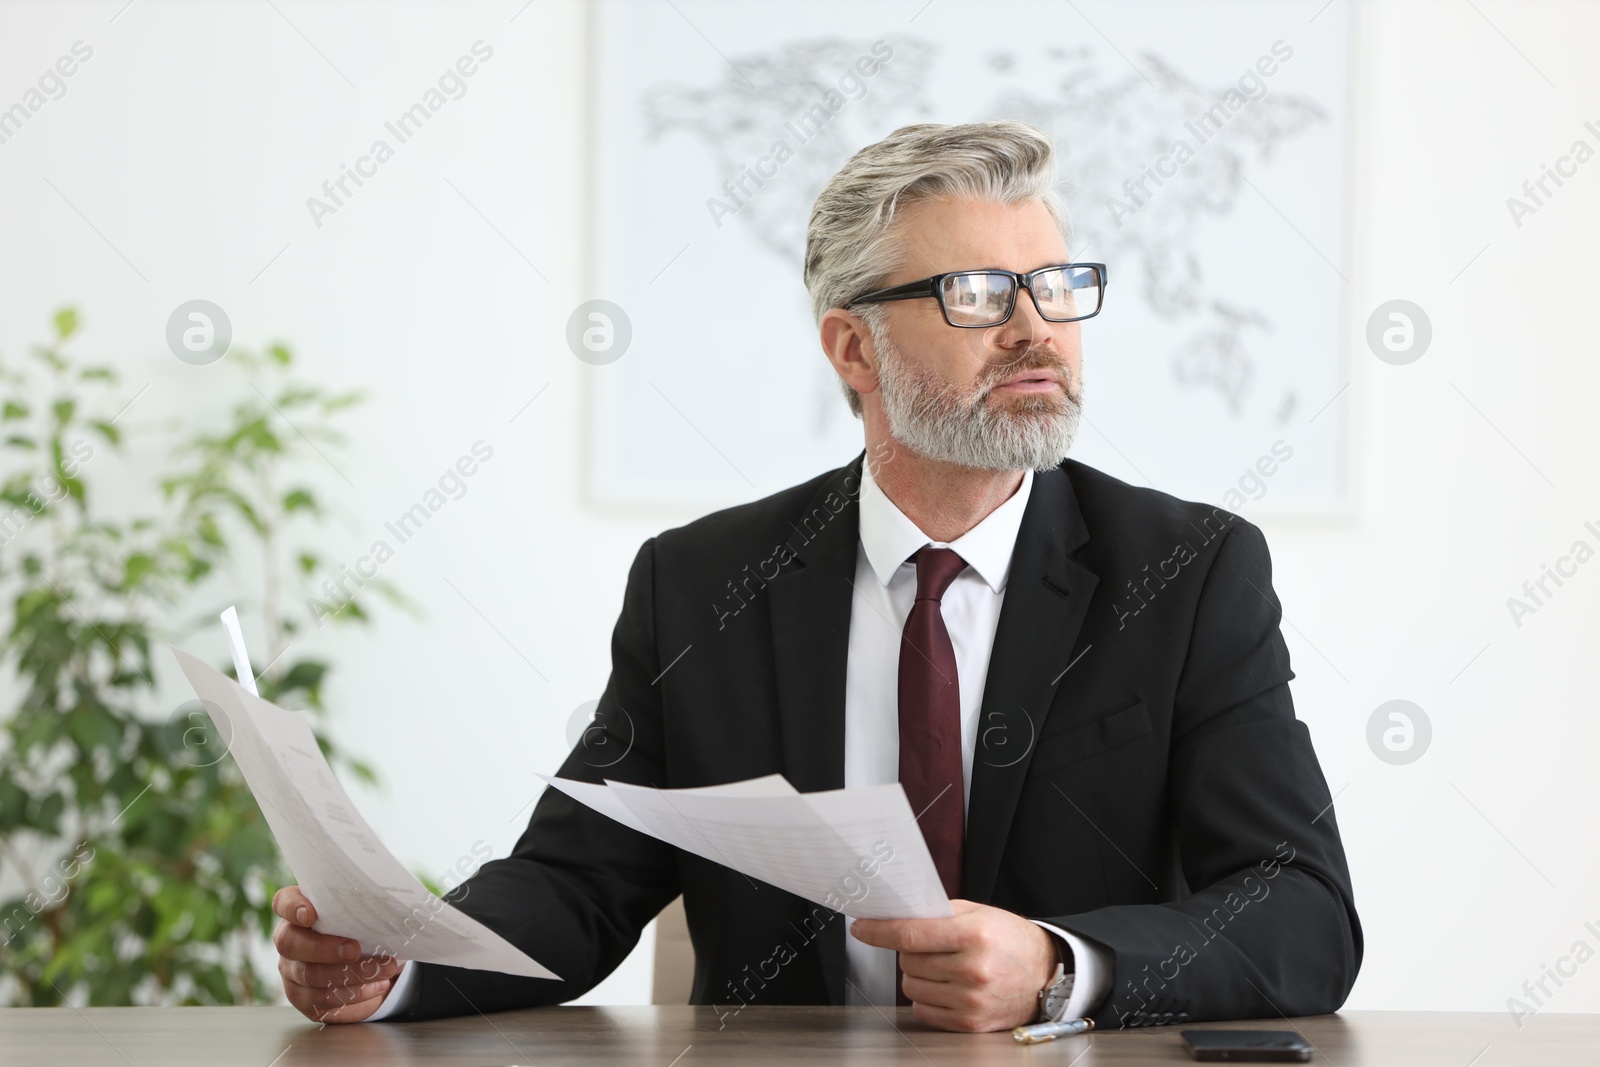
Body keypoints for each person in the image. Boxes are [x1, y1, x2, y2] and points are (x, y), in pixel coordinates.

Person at [270, 119, 1360, 1033]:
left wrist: (1060, 965)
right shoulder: (701, 582)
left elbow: (1300, 910)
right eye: (980, 293)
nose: (1036, 331)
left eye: (1056, 286)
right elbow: (579, 881)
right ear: (852, 348)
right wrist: (400, 958)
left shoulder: (1187, 571)